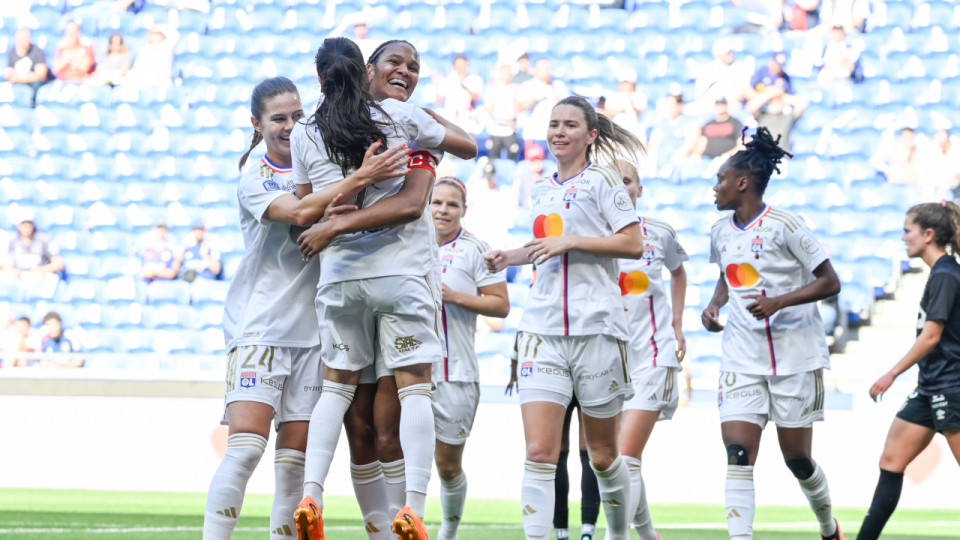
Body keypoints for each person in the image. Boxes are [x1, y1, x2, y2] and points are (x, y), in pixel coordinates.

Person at [202, 76, 411, 540]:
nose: (291, 126)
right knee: (245, 449)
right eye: (279, 118)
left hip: (315, 333)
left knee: (294, 465)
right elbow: (298, 213)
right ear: (256, 124)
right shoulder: (255, 173)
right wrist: (359, 179)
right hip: (261, 328)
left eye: (298, 116)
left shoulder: (321, 165)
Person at [290, 36, 477, 540]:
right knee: (415, 388)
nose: (407, 72)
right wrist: (421, 112)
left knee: (335, 389)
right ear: (367, 70)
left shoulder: (305, 131)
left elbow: (305, 209)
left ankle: (312, 494)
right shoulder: (399, 120)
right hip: (400, 274)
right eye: (396, 63)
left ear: (321, 78)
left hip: (339, 277)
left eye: (414, 66)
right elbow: (469, 145)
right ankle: (413, 507)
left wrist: (332, 221)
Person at [485, 95, 645, 540]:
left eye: (570, 125)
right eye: (554, 124)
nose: (559, 131)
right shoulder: (541, 188)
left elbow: (632, 245)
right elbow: (547, 249)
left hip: (597, 329)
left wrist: (573, 240)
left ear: (591, 135)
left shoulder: (604, 182)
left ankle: (615, 534)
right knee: (539, 451)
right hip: (542, 328)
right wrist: (510, 256)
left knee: (602, 455)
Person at [700, 127, 844, 540]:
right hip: (741, 356)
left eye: (721, 179)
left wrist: (779, 302)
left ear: (742, 182)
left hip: (794, 357)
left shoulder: (786, 225)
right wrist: (714, 306)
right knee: (738, 453)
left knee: (797, 459)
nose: (715, 187)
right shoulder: (719, 231)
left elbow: (830, 281)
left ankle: (828, 527)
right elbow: (728, 278)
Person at [858, 202, 960, 540]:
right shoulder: (941, 273)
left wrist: (891, 373)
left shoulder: (946, 274)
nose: (903, 238)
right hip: (931, 387)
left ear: (928, 234)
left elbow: (931, 336)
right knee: (891, 461)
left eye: (908, 230)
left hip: (952, 388)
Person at [430, 176, 509, 540]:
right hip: (404, 373)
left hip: (455, 372)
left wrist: (454, 297)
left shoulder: (476, 249)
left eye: (451, 205)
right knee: (395, 457)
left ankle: (448, 531)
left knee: (447, 467)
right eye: (436, 203)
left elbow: (500, 305)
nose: (443, 210)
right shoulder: (403, 242)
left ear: (463, 210)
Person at [614, 159, 688, 540]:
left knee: (624, 457)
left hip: (654, 356)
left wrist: (677, 322)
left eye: (626, 180)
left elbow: (678, 272)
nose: (620, 187)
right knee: (621, 461)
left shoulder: (659, 233)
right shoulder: (591, 234)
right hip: (610, 361)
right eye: (612, 181)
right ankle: (648, 536)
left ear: (639, 189)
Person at [553, 403, 601, 540]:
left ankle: (562, 534)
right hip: (589, 382)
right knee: (588, 448)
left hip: (563, 382)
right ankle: (587, 533)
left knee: (560, 448)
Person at [5, 28, 51, 106]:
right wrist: (10, 77)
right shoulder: (12, 52)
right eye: (22, 38)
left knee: (36, 84)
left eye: (27, 38)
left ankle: (32, 106)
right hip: (18, 80)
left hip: (32, 82)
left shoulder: (37, 51)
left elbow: (41, 74)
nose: (25, 41)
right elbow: (8, 71)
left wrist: (21, 79)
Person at [122, 24, 177, 89]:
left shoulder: (166, 46)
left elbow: (175, 35)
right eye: (153, 34)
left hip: (162, 80)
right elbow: (136, 67)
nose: (155, 36)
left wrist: (159, 27)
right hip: (146, 80)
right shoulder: (145, 49)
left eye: (158, 34)